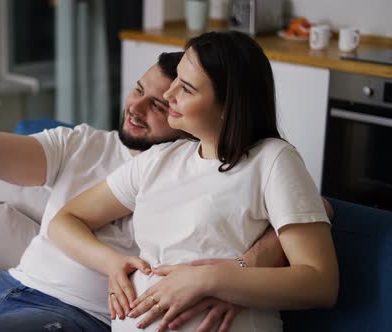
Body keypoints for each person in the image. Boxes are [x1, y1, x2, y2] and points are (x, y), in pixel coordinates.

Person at [0, 36, 331, 332]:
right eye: (141, 89)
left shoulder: (246, 162)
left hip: (71, 315)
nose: (141, 105)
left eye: (165, 100)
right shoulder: (97, 149)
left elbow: (310, 208)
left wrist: (247, 262)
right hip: (4, 285)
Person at [47, 31, 339, 332]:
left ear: (228, 106)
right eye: (177, 80)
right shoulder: (159, 160)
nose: (169, 94)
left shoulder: (272, 160)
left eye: (186, 89)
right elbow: (66, 220)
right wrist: (112, 263)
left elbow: (320, 282)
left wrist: (210, 280)